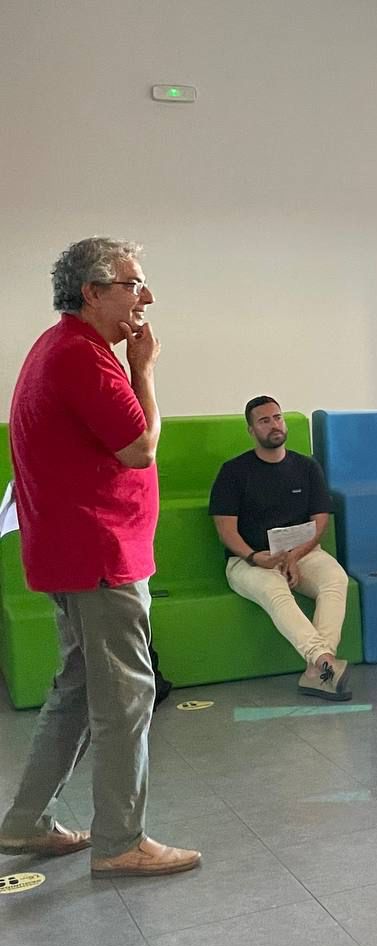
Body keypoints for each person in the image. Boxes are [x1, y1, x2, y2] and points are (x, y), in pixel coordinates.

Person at [0, 238, 201, 877]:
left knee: (78, 689)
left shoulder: (63, 346)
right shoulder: (81, 357)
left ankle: (26, 822)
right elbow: (140, 447)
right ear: (92, 292)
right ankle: (120, 842)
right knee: (125, 699)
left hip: (80, 553)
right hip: (99, 554)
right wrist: (146, 369)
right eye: (134, 284)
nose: (147, 298)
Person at [209, 396, 352, 701]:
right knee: (275, 591)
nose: (274, 425)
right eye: (264, 421)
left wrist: (295, 556)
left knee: (335, 579)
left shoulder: (306, 467)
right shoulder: (233, 472)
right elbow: (226, 530)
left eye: (277, 417)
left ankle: (317, 669)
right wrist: (253, 556)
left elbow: (320, 520)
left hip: (303, 553)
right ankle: (324, 661)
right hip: (249, 559)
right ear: (251, 430)